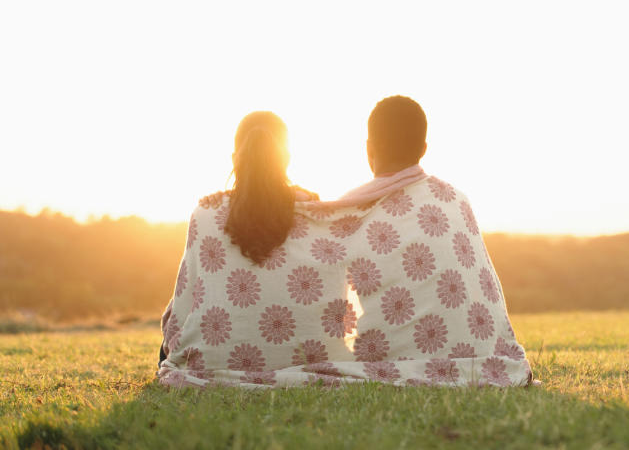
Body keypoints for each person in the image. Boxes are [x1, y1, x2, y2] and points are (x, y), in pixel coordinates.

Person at [157, 97, 531, 388]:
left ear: (235, 157)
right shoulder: (453, 201)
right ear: (287, 157)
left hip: (213, 360)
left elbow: (183, 311)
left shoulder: (206, 212)